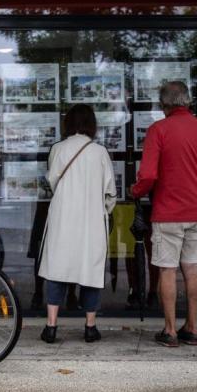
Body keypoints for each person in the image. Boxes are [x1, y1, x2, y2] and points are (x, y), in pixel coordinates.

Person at [131, 81, 197, 347]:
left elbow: (148, 175)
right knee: (192, 269)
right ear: (189, 102)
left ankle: (170, 331)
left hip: (168, 211)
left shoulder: (158, 130)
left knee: (167, 271)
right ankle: (192, 328)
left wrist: (135, 190)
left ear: (164, 105)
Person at [38, 104, 117, 344]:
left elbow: (52, 181)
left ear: (68, 123)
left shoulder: (58, 149)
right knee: (90, 271)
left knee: (56, 269)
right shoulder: (100, 152)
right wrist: (103, 210)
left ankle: (51, 326)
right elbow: (110, 192)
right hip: (91, 220)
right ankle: (90, 327)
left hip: (62, 217)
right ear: (92, 124)